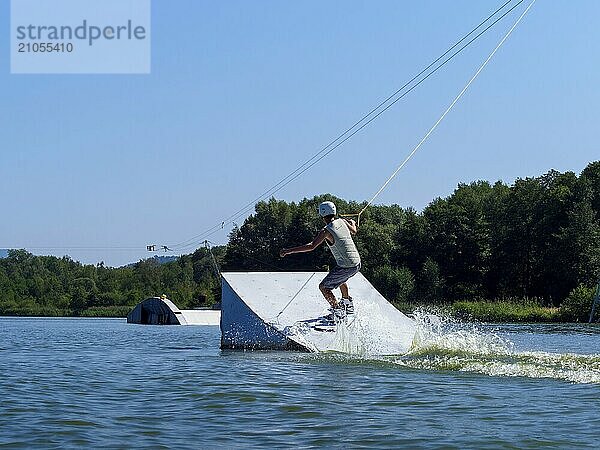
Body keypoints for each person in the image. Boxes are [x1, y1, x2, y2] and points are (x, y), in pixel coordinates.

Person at [280, 201, 361, 319]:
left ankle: (338, 312)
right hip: (357, 264)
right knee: (339, 279)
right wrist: (353, 222)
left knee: (324, 287)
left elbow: (311, 246)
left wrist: (288, 251)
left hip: (346, 266)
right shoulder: (342, 221)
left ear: (322, 215)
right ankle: (347, 303)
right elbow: (354, 230)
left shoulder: (326, 231)